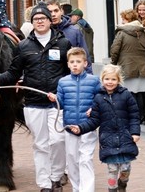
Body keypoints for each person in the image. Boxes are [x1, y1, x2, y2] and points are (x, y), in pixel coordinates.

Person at [0, 2, 71, 192]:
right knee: (40, 144)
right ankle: (45, 183)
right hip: (33, 103)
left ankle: (56, 176)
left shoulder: (63, 43)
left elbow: (70, 72)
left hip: (57, 102)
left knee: (58, 140)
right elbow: (13, 72)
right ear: (32, 23)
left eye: (43, 18)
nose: (39, 21)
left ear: (50, 21)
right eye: (35, 19)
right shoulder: (23, 46)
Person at [66, 64, 141, 192]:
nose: (110, 82)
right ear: (102, 79)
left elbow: (134, 115)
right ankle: (112, 189)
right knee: (112, 170)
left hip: (125, 138)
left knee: (125, 169)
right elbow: (94, 120)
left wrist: (135, 132)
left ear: (118, 80)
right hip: (108, 141)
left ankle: (122, 183)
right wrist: (80, 128)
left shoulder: (126, 95)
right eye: (107, 79)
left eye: (113, 79)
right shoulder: (99, 98)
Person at [48, 47, 101, 192]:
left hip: (88, 127)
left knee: (85, 159)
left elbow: (100, 99)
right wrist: (55, 100)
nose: (75, 64)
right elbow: (61, 104)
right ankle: (77, 188)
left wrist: (95, 109)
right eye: (72, 62)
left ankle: (87, 189)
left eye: (78, 61)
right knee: (72, 160)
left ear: (85, 63)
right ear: (68, 64)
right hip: (70, 127)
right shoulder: (63, 82)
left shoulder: (94, 81)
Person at [110, 9, 145, 123]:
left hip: (126, 66)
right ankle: (140, 117)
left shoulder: (121, 33)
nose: (122, 21)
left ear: (128, 19)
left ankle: (130, 118)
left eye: (123, 19)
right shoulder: (142, 32)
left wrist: (113, 63)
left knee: (128, 94)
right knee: (139, 94)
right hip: (141, 67)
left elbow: (115, 49)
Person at [46, 0, 92, 74]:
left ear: (61, 11)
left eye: (56, 11)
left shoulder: (74, 31)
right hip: (51, 79)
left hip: (72, 78)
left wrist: (88, 78)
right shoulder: (44, 32)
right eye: (50, 12)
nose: (53, 14)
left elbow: (85, 56)